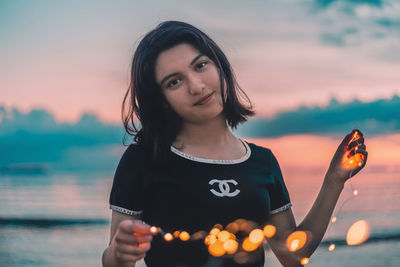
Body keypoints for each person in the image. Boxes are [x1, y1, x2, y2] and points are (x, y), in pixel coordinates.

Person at [102, 21, 368, 267]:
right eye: (175, 81)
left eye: (200, 65)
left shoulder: (262, 162)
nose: (196, 86)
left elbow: (293, 253)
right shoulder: (144, 160)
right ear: (160, 100)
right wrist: (119, 251)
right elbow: (113, 261)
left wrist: (334, 180)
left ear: (219, 66)